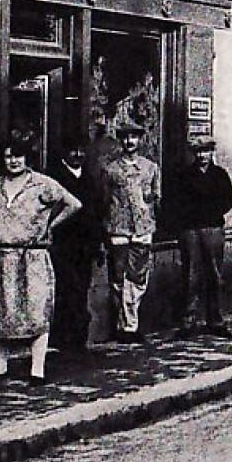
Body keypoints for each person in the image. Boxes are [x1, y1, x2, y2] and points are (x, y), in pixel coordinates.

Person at [0, 142, 82, 385]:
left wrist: (49, 226)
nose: (13, 161)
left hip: (31, 256)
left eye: (18, 156)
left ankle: (37, 369)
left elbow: (74, 204)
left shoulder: (42, 184)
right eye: (8, 157)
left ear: (27, 159)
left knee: (36, 310)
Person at [164, 135, 232, 336]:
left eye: (206, 151)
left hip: (212, 228)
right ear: (193, 154)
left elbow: (230, 199)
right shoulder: (184, 175)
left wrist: (213, 212)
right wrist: (189, 214)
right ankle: (189, 321)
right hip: (190, 230)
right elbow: (175, 201)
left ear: (211, 152)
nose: (202, 155)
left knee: (214, 274)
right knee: (191, 274)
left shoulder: (220, 175)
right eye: (198, 152)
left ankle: (215, 319)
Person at [101, 121, 161, 344]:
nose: (129, 142)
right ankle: (122, 325)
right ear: (120, 140)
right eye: (125, 137)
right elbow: (104, 200)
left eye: (134, 137)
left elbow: (155, 197)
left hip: (142, 228)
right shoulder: (110, 169)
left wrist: (150, 219)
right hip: (118, 227)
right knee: (118, 277)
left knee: (138, 277)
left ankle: (131, 324)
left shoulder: (150, 168)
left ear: (140, 139)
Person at [48, 142, 101, 356]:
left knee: (81, 289)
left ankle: (79, 337)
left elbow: (98, 212)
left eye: (81, 151)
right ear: (63, 153)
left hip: (85, 245)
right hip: (62, 243)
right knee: (65, 288)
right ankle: (63, 336)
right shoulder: (55, 177)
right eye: (73, 150)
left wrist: (97, 244)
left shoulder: (89, 178)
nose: (78, 154)